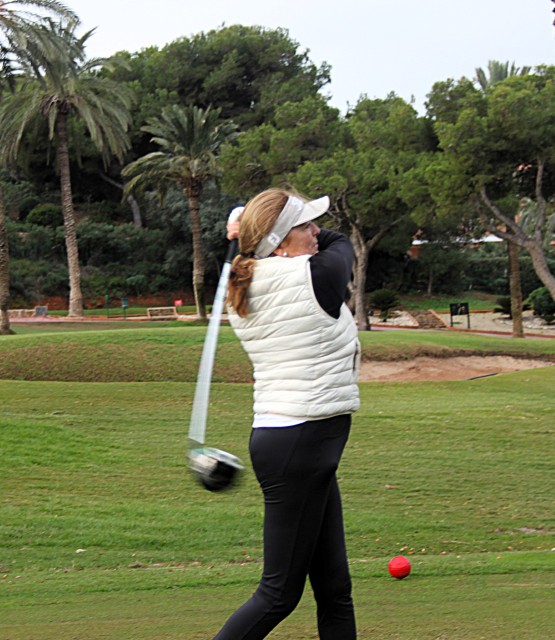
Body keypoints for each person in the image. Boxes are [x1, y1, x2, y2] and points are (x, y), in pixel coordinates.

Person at [214, 187, 360, 640]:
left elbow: (292, 244)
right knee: (278, 594)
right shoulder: (316, 275)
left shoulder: (244, 279)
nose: (317, 231)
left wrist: (250, 228)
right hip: (303, 443)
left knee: (334, 587)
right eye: (305, 225)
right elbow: (341, 243)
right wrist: (250, 224)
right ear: (278, 244)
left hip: (293, 441)